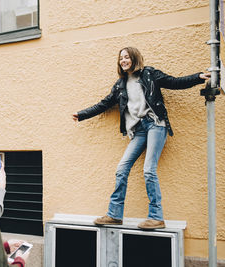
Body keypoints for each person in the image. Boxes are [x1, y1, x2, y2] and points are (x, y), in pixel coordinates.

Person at [73, 47, 210, 229]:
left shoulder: (149, 74)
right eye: (121, 58)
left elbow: (174, 82)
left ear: (134, 58)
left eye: (127, 57)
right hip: (138, 130)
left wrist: (198, 77)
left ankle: (156, 217)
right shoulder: (120, 85)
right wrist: (82, 114)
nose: (123, 61)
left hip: (155, 125)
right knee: (121, 169)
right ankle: (114, 214)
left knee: (148, 170)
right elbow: (104, 104)